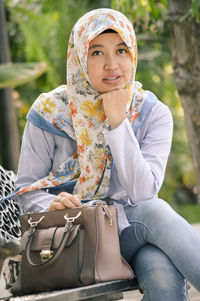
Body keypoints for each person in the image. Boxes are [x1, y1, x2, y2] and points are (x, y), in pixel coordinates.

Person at [13, 8, 200, 301]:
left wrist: (118, 122)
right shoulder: (49, 113)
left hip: (129, 235)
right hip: (73, 239)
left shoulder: (153, 114)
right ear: (79, 57)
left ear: (132, 54)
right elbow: (25, 190)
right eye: (97, 52)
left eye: (121, 50)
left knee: (160, 267)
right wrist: (53, 204)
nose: (112, 65)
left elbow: (142, 192)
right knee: (154, 213)